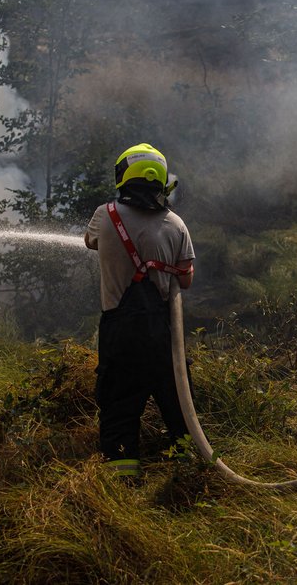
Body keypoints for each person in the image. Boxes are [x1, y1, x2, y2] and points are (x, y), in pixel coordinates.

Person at [84, 143, 195, 479]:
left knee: (118, 408)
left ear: (123, 177)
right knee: (180, 409)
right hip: (165, 336)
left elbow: (90, 243)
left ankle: (122, 486)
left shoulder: (106, 215)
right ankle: (191, 474)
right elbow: (186, 279)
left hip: (120, 332)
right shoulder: (176, 225)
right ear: (161, 182)